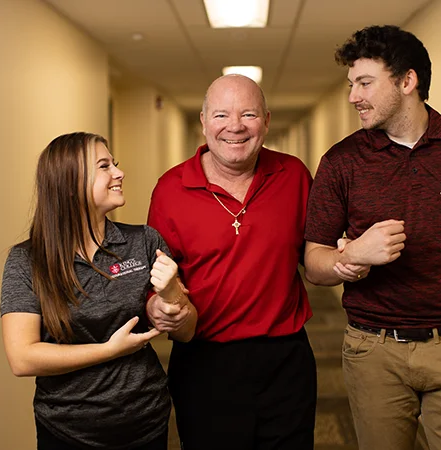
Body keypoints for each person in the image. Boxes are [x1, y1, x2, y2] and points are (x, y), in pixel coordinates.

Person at [304, 25, 441, 450]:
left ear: (407, 80)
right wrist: (353, 258)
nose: (352, 97)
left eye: (364, 83)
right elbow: (314, 262)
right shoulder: (341, 161)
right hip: (373, 350)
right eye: (350, 84)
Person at [146, 74, 316, 450]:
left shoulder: (294, 176)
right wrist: (159, 307)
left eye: (249, 114)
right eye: (221, 115)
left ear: (267, 122)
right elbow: (156, 278)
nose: (235, 126)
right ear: (203, 123)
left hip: (286, 358)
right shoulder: (171, 189)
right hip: (205, 362)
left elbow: (316, 256)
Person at [0, 132, 197, 450]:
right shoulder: (28, 260)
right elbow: (22, 357)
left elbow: (187, 331)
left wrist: (173, 293)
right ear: (70, 183)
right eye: (104, 166)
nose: (119, 173)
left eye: (114, 164)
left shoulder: (144, 241)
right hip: (67, 430)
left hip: (146, 420)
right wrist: (111, 349)